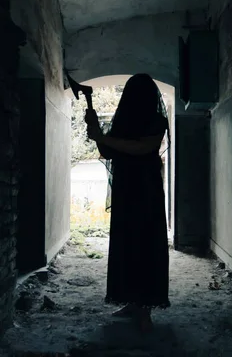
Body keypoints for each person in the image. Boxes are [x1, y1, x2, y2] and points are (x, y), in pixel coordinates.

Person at [84, 73, 170, 333]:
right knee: (126, 244)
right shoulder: (122, 122)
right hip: (126, 190)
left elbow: (142, 148)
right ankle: (132, 302)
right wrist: (96, 131)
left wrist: (103, 137)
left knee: (146, 246)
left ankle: (145, 309)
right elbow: (107, 151)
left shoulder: (157, 120)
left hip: (146, 191)